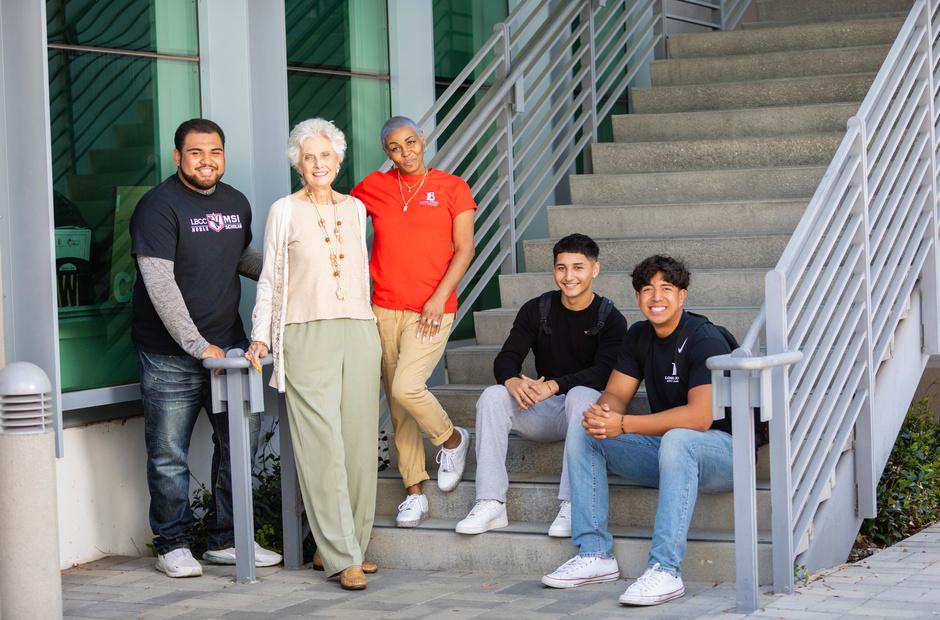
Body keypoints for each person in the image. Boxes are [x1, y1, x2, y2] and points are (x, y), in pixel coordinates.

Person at [131, 118, 281, 578]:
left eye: (214, 152)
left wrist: (285, 272)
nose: (206, 161)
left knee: (238, 445)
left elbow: (237, 257)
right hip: (171, 355)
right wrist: (200, 347)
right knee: (169, 452)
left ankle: (227, 540)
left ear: (224, 155)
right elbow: (160, 285)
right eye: (196, 152)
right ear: (178, 157)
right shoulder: (158, 207)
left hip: (230, 349)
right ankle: (172, 543)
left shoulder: (236, 203)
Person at [541, 255, 734, 607]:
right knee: (586, 430)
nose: (656, 297)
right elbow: (617, 393)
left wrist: (625, 423)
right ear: (638, 297)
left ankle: (665, 569)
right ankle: (595, 553)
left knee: (679, 437)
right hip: (669, 453)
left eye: (666, 289)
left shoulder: (704, 338)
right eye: (647, 289)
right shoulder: (639, 335)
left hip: (723, 453)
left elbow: (699, 418)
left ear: (682, 296)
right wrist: (604, 415)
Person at [246, 118, 381, 591]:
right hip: (303, 331)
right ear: (297, 164)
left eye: (326, 156)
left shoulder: (357, 208)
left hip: (360, 330)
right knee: (320, 443)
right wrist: (261, 335)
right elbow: (270, 278)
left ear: (338, 161)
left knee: (360, 443)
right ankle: (340, 552)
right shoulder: (283, 210)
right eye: (309, 157)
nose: (318, 164)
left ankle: (349, 544)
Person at [453, 233, 627, 537]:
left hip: (584, 413)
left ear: (594, 270)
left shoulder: (610, 318)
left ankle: (573, 504)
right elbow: (506, 357)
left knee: (582, 394)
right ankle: (491, 501)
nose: (569, 276)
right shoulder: (538, 309)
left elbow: (604, 373)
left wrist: (555, 385)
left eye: (578, 267)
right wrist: (512, 380)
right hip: (543, 410)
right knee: (493, 395)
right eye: (561, 268)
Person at [350, 116, 476, 528]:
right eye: (394, 148)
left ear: (422, 139)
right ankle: (414, 492)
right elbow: (337, 217)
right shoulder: (373, 187)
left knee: (408, 386)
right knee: (397, 402)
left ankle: (452, 439)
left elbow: (464, 250)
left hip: (432, 309)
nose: (405, 153)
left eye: (410, 143)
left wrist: (439, 299)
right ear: (386, 151)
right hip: (383, 307)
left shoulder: (452, 188)